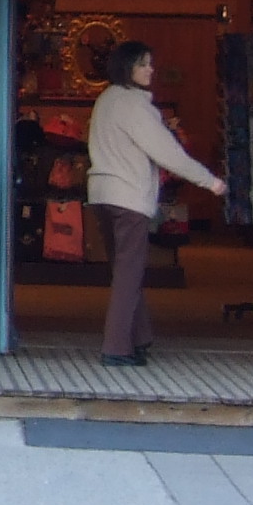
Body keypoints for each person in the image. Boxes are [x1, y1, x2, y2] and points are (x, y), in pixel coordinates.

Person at [85, 42, 225, 367]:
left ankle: (139, 337)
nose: (151, 70)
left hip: (101, 193)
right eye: (144, 64)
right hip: (129, 196)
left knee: (123, 270)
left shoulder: (105, 100)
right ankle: (116, 347)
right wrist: (209, 181)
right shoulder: (136, 106)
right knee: (129, 274)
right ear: (127, 68)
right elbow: (167, 153)